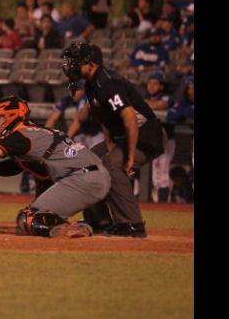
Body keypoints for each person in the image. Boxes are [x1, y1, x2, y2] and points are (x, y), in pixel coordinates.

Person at [0, 96, 110, 238]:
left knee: (28, 218)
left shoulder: (22, 134)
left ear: (13, 116)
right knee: (33, 212)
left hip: (83, 179)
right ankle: (96, 222)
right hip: (93, 176)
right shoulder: (34, 131)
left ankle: (72, 229)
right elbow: (18, 166)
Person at [61, 41, 167, 238]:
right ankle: (98, 219)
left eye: (77, 62)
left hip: (148, 135)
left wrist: (129, 159)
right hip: (124, 136)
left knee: (112, 164)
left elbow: (130, 120)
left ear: (91, 64)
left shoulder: (108, 83)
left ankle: (132, 224)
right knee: (89, 160)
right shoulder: (92, 85)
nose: (72, 66)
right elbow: (101, 117)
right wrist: (108, 144)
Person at [142, 73, 175, 202]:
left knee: (163, 173)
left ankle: (163, 205)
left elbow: (162, 105)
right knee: (156, 177)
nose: (151, 86)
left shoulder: (168, 97)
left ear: (161, 86)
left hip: (166, 140)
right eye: (150, 83)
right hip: (153, 140)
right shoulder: (145, 97)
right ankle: (160, 203)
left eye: (155, 83)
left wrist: (145, 104)